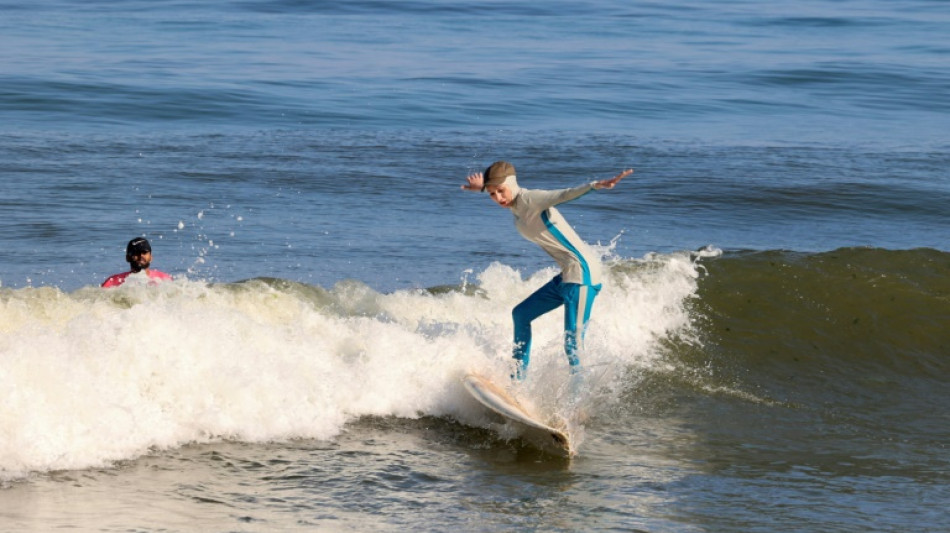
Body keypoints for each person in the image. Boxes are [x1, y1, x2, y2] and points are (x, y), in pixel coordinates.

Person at [462, 161, 632, 382]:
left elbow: (563, 195)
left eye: (501, 191)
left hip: (583, 273)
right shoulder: (514, 205)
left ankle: (576, 408)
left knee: (573, 344)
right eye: (492, 195)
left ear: (511, 184)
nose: (499, 199)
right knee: (521, 314)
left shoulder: (530, 199)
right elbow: (496, 188)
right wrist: (482, 187)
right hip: (567, 275)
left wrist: (596, 185)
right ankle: (517, 382)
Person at [101, 237, 173, 288]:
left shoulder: (165, 279)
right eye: (136, 252)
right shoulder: (112, 281)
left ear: (151, 257)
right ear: (127, 258)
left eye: (144, 252)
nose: (141, 255)